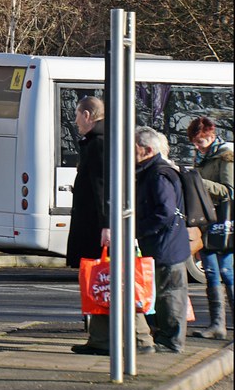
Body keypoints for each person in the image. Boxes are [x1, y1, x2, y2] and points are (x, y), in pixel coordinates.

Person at [66, 97, 156, 355]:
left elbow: (103, 187)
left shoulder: (98, 144)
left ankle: (134, 338)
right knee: (107, 280)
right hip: (106, 224)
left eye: (76, 116)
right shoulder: (110, 140)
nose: (75, 121)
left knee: (111, 280)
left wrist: (107, 224)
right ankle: (108, 338)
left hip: (100, 227)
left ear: (86, 115)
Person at [132, 125, 191, 353]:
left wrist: (138, 229)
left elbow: (164, 212)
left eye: (133, 147)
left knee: (170, 294)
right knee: (165, 293)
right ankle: (166, 337)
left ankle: (172, 341)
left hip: (166, 245)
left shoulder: (158, 174)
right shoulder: (153, 171)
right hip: (165, 244)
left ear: (146, 149)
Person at [186, 116, 233, 339]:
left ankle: (222, 325)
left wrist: (197, 180)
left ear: (212, 137)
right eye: (195, 143)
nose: (197, 146)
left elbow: (228, 191)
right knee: (212, 272)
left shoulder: (225, 156)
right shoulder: (202, 156)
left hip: (224, 222)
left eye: (201, 142)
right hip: (206, 220)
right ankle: (217, 326)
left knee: (226, 271)